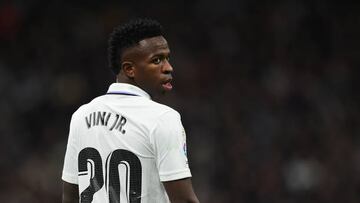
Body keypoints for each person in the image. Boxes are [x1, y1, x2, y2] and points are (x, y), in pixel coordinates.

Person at [61, 18, 200, 203]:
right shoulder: (163, 118)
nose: (168, 67)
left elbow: (70, 196)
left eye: (167, 58)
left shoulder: (81, 116)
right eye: (157, 60)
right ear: (129, 69)